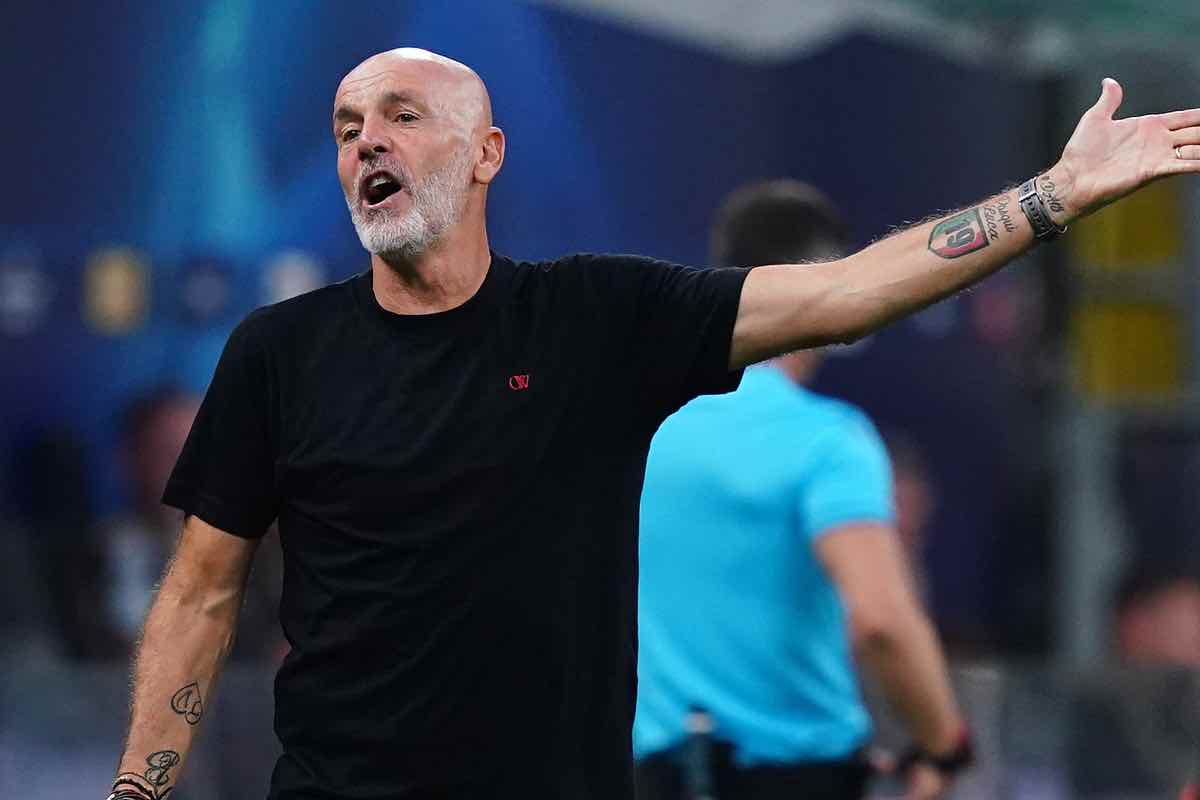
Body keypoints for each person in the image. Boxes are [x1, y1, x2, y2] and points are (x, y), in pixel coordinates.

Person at [106, 46, 1200, 800]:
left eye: (402, 116)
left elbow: (847, 291)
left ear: (487, 153)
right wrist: (137, 790)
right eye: (347, 128)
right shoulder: (280, 350)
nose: (366, 144)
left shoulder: (595, 317)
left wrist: (1052, 196)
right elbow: (200, 590)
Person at [633, 180, 967, 800]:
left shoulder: (646, 424)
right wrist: (944, 745)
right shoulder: (828, 440)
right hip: (795, 777)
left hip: (656, 775)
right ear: (829, 275)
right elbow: (880, 620)